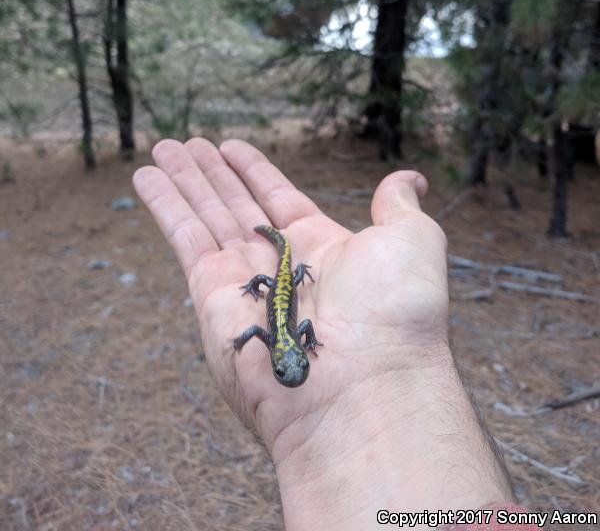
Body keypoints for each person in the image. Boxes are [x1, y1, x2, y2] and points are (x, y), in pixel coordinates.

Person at [133, 137, 539, 531]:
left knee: (284, 273)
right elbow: (278, 326)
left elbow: (269, 328)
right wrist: (258, 310)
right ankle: (273, 253)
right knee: (271, 279)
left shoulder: (279, 337)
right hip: (278, 286)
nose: (290, 373)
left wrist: (260, 335)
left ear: (282, 354)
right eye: (287, 368)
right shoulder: (281, 335)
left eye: (289, 368)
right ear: (281, 353)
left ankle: (279, 250)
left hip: (285, 285)